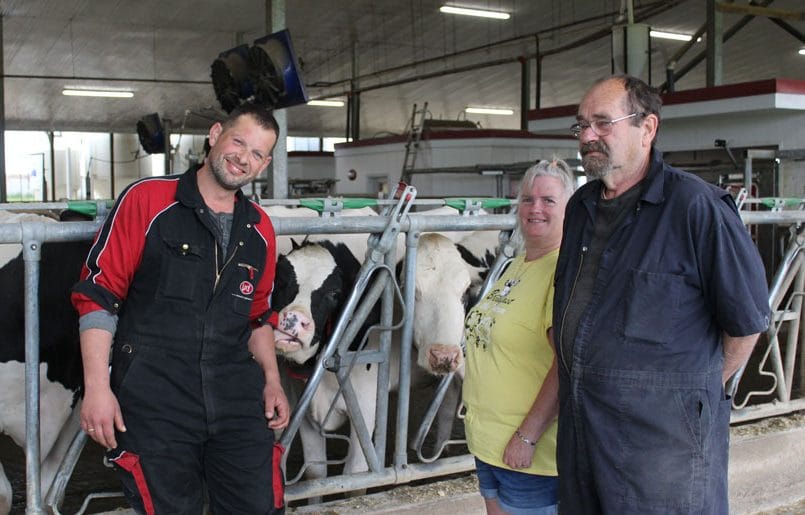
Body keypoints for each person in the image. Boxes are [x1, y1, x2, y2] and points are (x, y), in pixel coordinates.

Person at [553, 74, 771, 514]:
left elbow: (747, 323)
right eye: (581, 125)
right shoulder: (580, 208)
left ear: (647, 128)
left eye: (602, 123)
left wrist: (688, 399)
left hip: (662, 452)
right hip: (583, 435)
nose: (588, 136)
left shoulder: (697, 208)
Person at [71, 102, 290, 514]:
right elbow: (99, 294)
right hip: (156, 395)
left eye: (258, 153)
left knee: (259, 505)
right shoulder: (148, 201)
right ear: (215, 135)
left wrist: (273, 380)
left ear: (266, 163)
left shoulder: (260, 228)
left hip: (235, 393)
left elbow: (258, 314)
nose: (244, 157)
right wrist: (98, 389)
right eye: (238, 141)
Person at [463, 159, 576, 515]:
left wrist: (527, 436)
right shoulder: (517, 263)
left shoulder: (562, 272)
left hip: (530, 452)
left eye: (548, 200)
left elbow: (567, 364)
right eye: (527, 199)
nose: (535, 208)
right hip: (489, 442)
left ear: (569, 209)